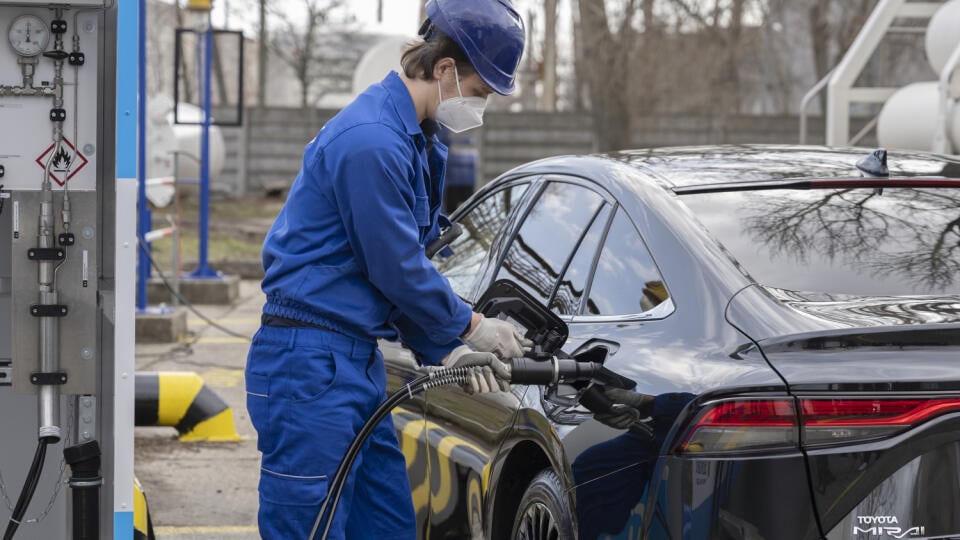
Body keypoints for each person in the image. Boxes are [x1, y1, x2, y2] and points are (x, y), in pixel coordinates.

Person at [244, 1, 527, 538]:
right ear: (443, 69)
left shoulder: (412, 138)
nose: (480, 108)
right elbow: (395, 265)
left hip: (352, 363)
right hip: (309, 364)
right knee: (311, 527)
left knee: (386, 524)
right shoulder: (371, 140)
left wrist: (448, 350)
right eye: (481, 92)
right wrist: (469, 326)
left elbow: (396, 268)